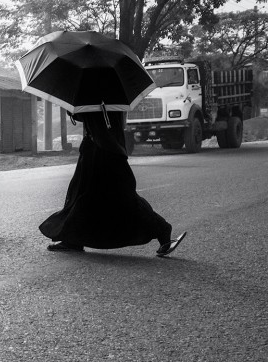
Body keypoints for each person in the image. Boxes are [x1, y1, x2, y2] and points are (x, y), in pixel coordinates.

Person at [39, 110, 186, 256]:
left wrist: (75, 112)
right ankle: (72, 239)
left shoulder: (101, 92)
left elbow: (94, 116)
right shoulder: (105, 93)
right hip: (97, 148)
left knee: (123, 199)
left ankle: (162, 229)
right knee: (82, 195)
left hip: (105, 151)